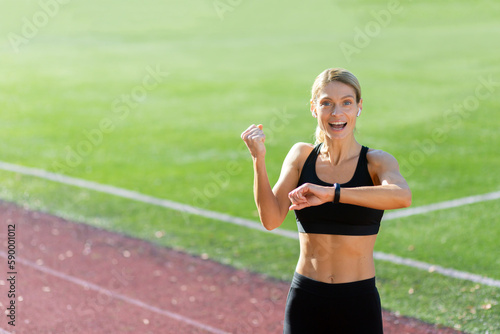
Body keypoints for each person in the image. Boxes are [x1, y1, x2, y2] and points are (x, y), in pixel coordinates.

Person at [241, 68, 412, 333]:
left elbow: (402, 196)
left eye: (346, 102)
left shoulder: (376, 162)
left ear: (358, 107)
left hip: (358, 302)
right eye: (326, 104)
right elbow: (271, 219)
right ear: (313, 108)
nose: (336, 113)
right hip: (306, 299)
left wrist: (331, 193)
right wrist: (258, 159)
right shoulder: (301, 156)